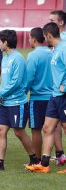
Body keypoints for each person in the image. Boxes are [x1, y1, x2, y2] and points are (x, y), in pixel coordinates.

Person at [0, 30, 36, 172]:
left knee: (19, 132)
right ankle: (0, 164)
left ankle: (34, 159)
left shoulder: (18, 58)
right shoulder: (5, 58)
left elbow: (16, 82)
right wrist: (1, 95)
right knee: (1, 131)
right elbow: (7, 82)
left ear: (6, 42)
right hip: (5, 103)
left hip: (17, 103)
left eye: (0, 41)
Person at [26, 22, 66, 174]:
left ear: (48, 35)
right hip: (54, 96)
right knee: (47, 128)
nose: (44, 38)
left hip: (63, 96)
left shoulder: (63, 49)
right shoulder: (55, 50)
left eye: (45, 36)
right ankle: (44, 164)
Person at [25, 28, 52, 162]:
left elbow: (29, 78)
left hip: (38, 97)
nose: (29, 40)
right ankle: (54, 155)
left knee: (36, 129)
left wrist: (23, 93)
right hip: (53, 97)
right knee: (51, 129)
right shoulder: (53, 52)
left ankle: (37, 159)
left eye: (29, 38)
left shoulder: (33, 55)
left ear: (34, 39)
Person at [48, 10, 66, 165]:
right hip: (54, 93)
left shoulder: (63, 44)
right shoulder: (56, 45)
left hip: (62, 93)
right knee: (50, 127)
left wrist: (64, 85)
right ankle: (57, 156)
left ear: (61, 23)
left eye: (52, 21)